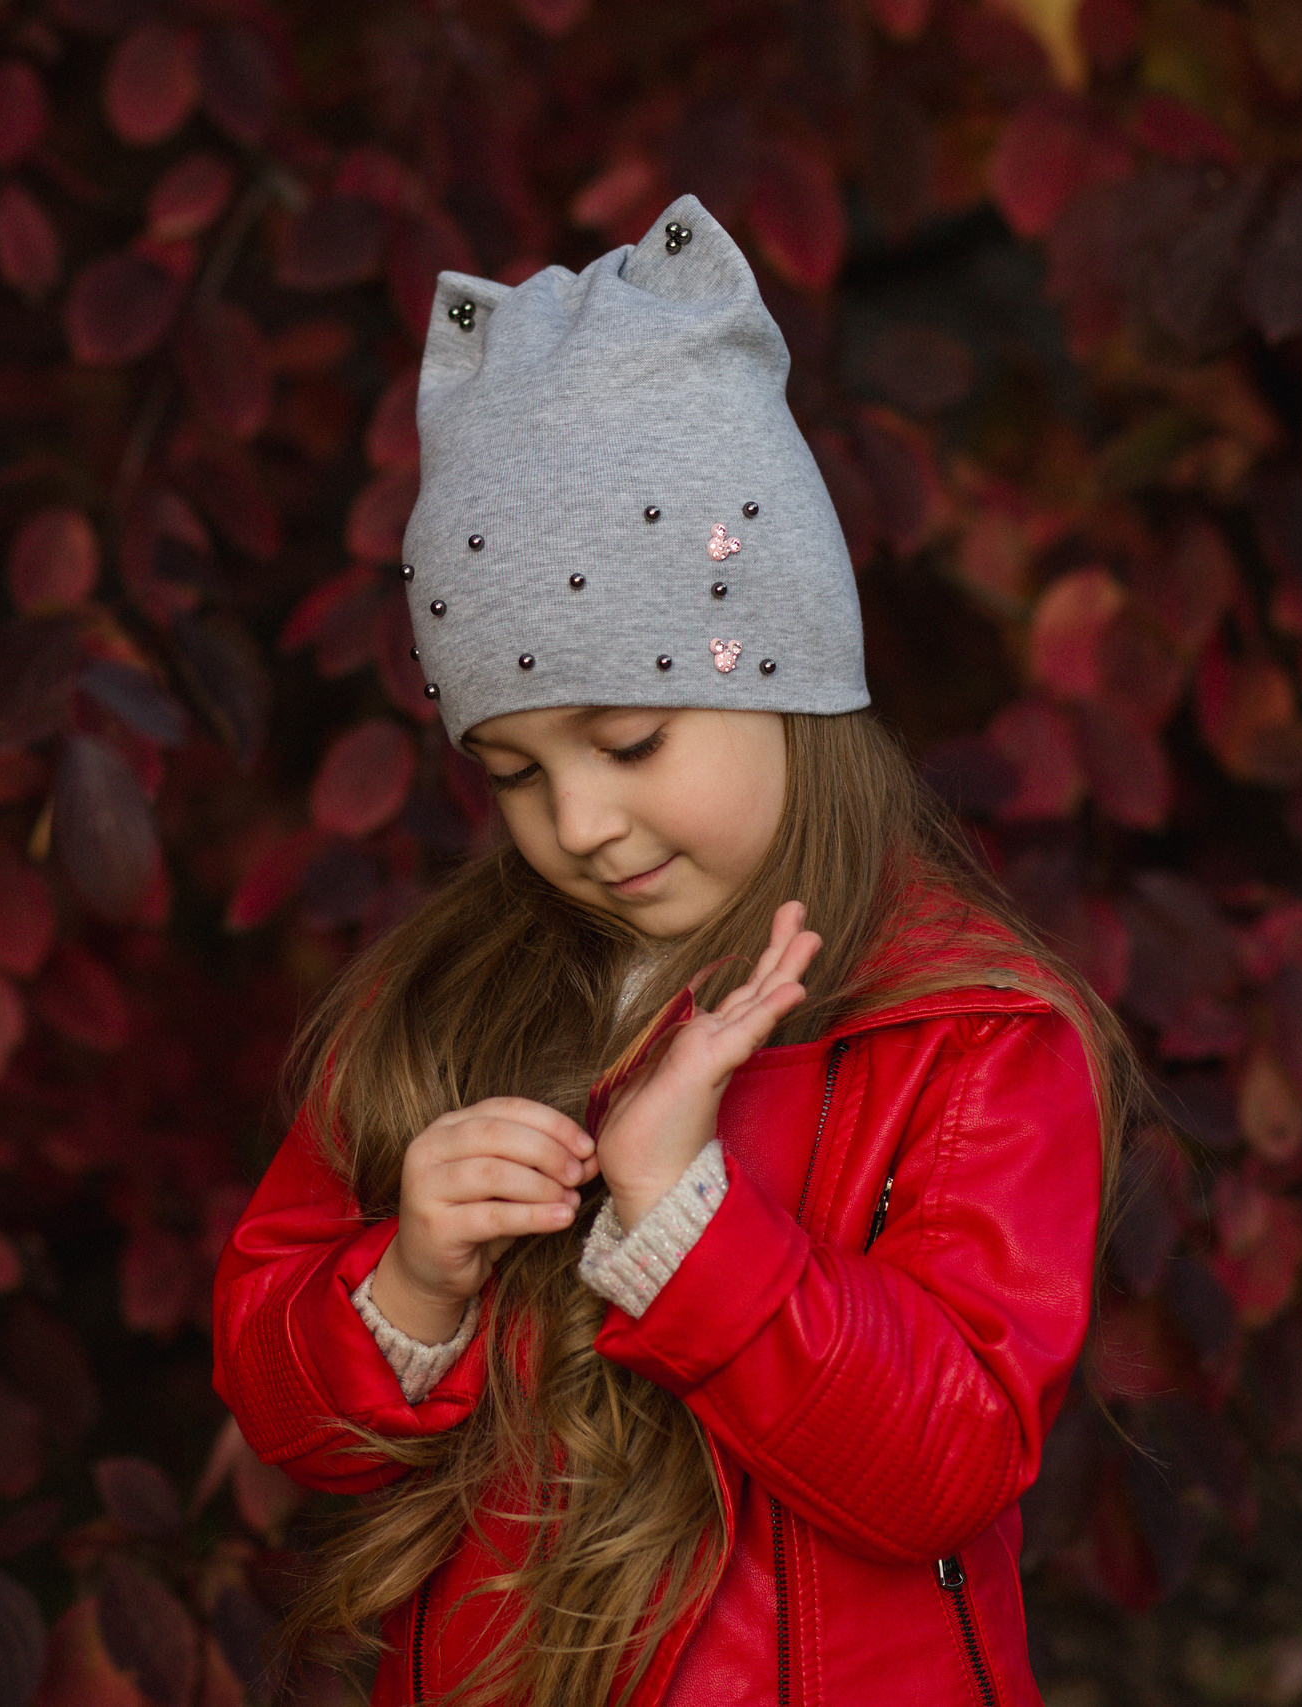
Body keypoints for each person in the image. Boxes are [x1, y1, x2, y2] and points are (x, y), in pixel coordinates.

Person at [211, 194, 1143, 1707]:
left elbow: (944, 1470)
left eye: (630, 740)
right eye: (512, 774)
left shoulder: (968, 1040)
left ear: (790, 677)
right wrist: (414, 1281)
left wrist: (689, 1228)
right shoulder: (448, 1001)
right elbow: (288, 1410)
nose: (576, 820)